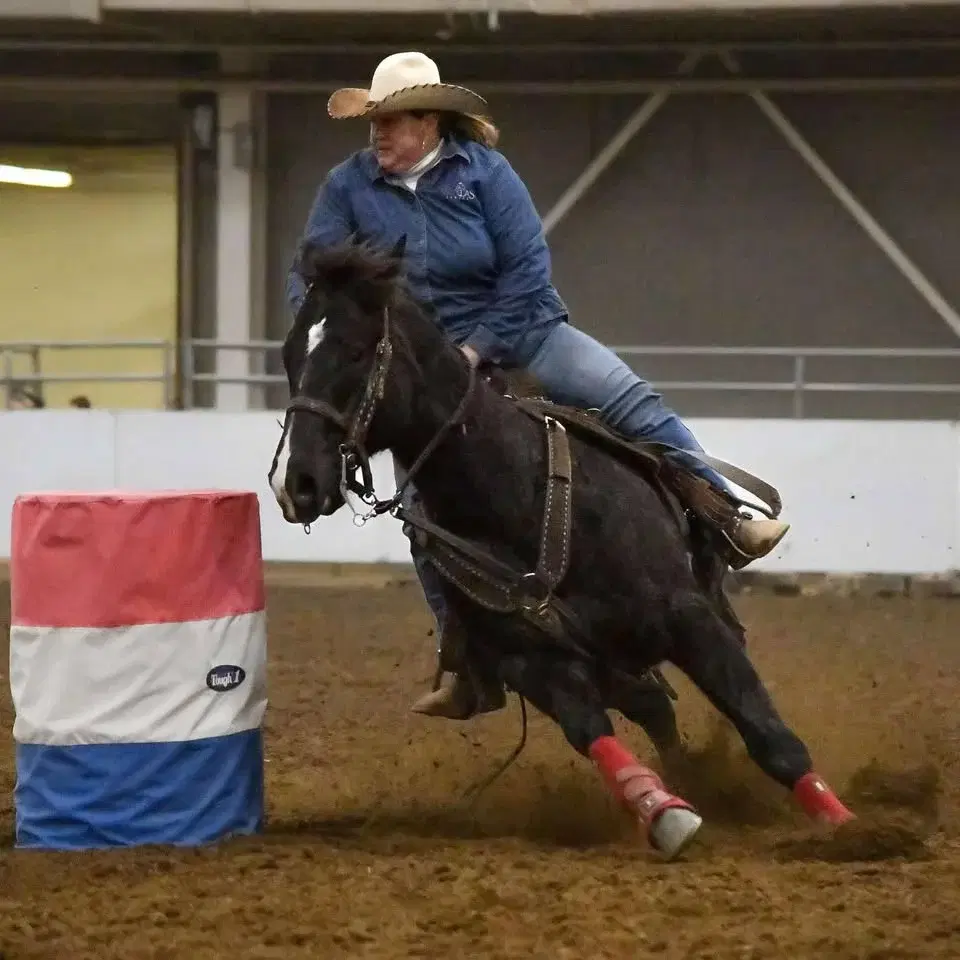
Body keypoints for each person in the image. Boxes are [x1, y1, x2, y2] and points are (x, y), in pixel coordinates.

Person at [286, 51, 790, 722]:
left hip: (524, 333)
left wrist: (475, 346)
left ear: (432, 121)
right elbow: (313, 277)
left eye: (394, 121)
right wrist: (324, 328)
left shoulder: (487, 176)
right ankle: (467, 659)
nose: (377, 135)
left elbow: (525, 272)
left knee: (627, 399)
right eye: (374, 123)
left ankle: (726, 516)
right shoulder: (346, 186)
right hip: (420, 369)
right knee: (421, 513)